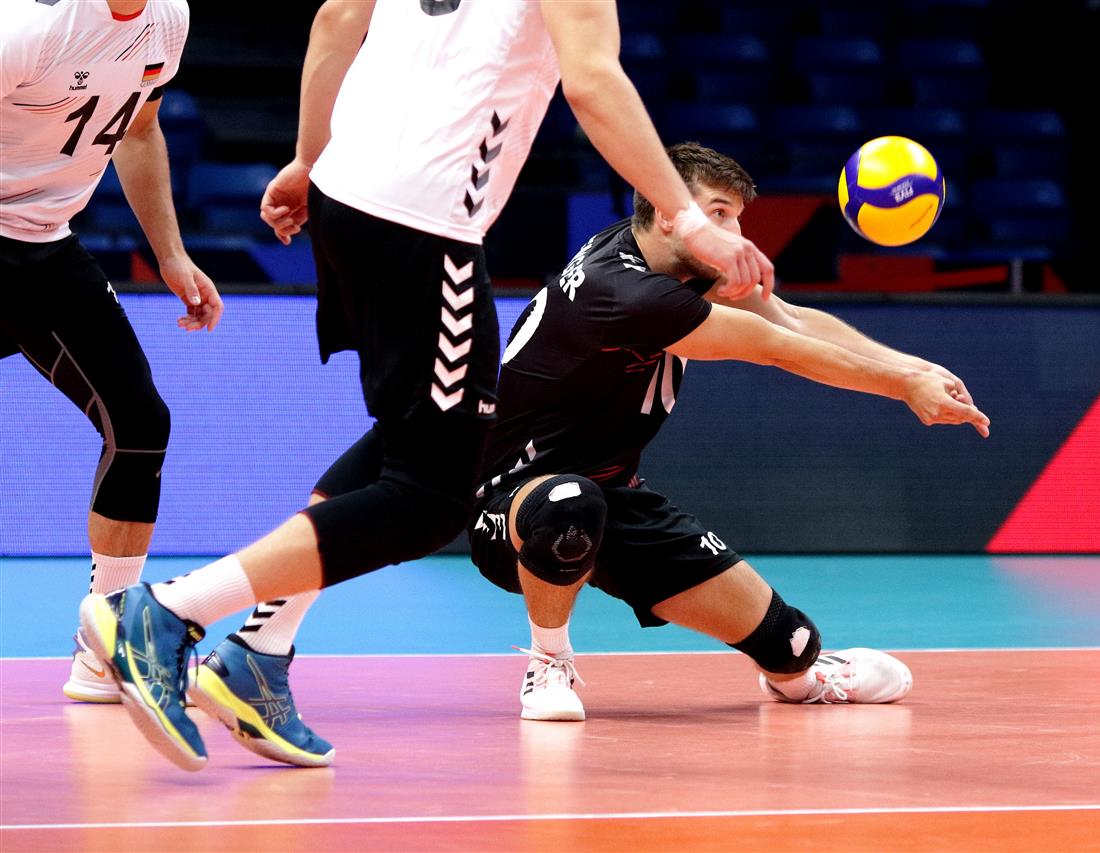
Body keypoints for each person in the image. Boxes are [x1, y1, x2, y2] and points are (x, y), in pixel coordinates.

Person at [78, 0, 774, 771]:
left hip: (349, 190)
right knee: (430, 497)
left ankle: (260, 650)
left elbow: (337, 18)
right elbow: (592, 81)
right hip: (425, 217)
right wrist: (688, 217)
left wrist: (310, 157)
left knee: (411, 441)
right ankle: (166, 613)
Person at [466, 142, 989, 720]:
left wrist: (915, 368)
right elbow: (777, 348)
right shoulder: (623, 293)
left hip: (616, 497)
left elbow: (788, 319)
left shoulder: (665, 256)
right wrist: (902, 388)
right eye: (717, 213)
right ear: (670, 213)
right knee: (570, 504)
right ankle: (548, 663)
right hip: (514, 506)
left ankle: (805, 677)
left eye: (736, 218)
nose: (734, 234)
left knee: (793, 646)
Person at [0, 0, 222, 704]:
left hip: (45, 250)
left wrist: (171, 255)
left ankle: (106, 644)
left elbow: (140, 129)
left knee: (140, 421)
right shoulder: (27, 28)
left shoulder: (167, 21)